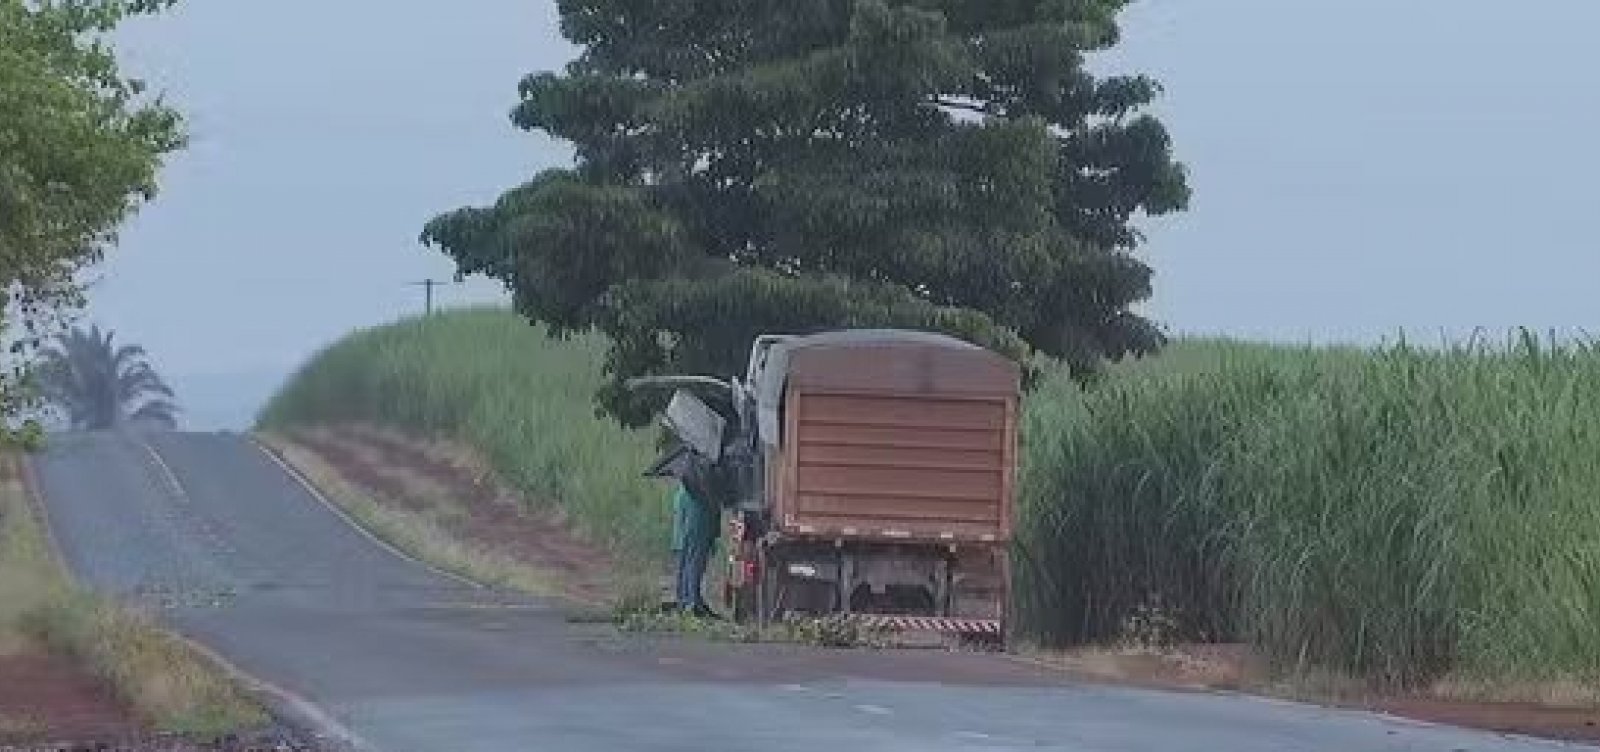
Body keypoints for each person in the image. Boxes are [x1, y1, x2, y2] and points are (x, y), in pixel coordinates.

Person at [671, 479, 721, 618]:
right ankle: (692, 602)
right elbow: (713, 514)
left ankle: (684, 601)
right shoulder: (703, 495)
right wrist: (714, 535)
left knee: (684, 568)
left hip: (683, 536)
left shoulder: (682, 493)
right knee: (695, 568)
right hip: (698, 532)